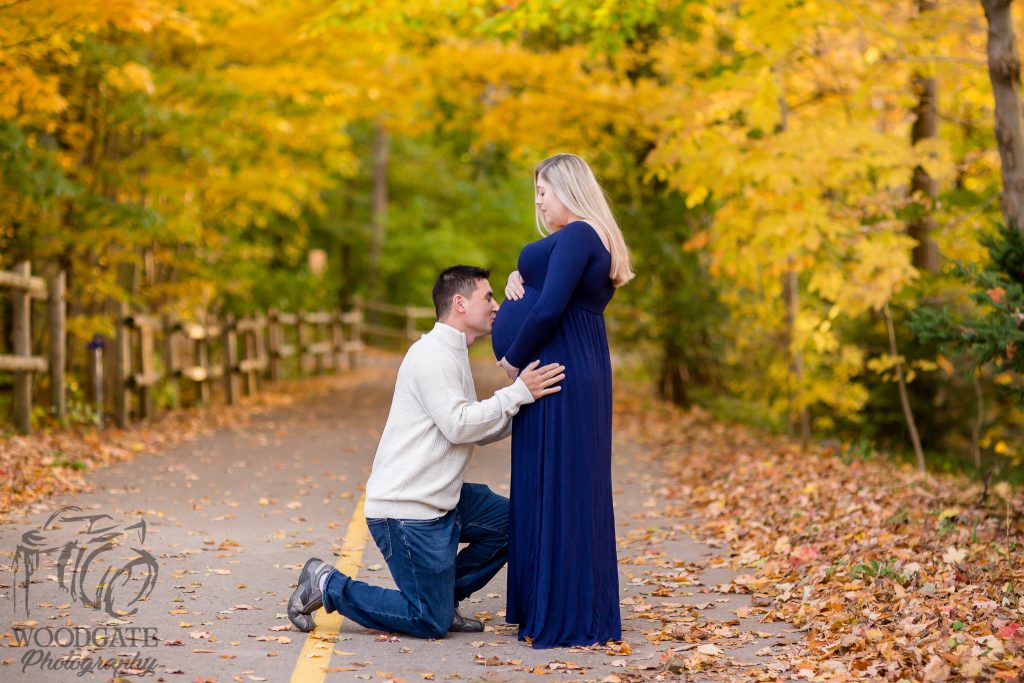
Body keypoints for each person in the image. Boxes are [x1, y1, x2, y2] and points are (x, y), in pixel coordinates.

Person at [288, 265, 566, 639]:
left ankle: (440, 599)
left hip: (441, 498)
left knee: (513, 523)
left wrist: (528, 407)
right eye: (487, 297)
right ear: (460, 303)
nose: (497, 306)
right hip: (408, 510)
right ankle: (326, 584)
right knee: (427, 621)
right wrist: (517, 393)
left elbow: (475, 429)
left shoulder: (454, 353)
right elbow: (459, 424)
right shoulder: (431, 355)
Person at [491, 153, 634, 648]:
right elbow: (548, 289)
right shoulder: (581, 239)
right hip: (569, 365)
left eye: (543, 192)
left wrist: (511, 361)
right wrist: (520, 277)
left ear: (568, 190)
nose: (538, 201)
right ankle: (550, 603)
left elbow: (551, 306)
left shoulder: (579, 234)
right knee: (554, 482)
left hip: (559, 370)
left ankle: (566, 613)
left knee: (563, 485)